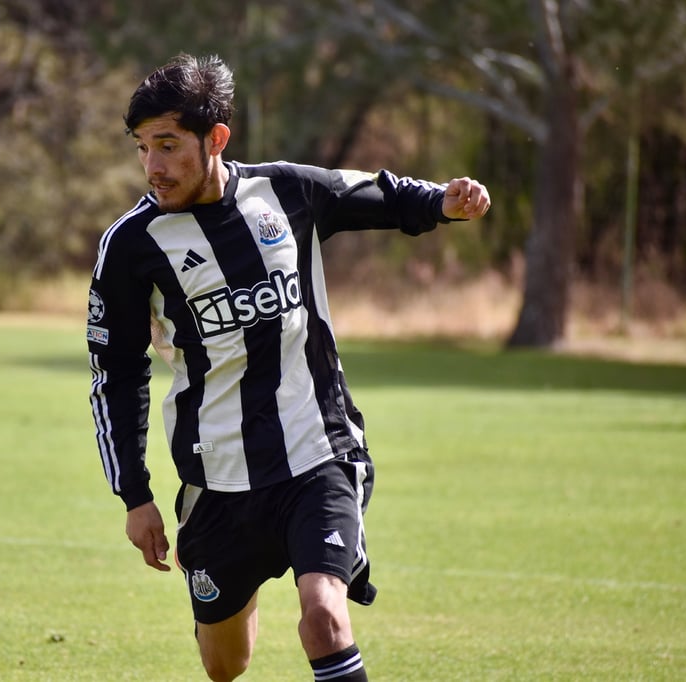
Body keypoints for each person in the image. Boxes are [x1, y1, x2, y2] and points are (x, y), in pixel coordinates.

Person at [87, 53, 490, 681]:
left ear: (216, 138)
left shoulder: (285, 192)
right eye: (142, 148)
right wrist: (135, 496)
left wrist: (443, 202)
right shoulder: (131, 246)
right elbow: (115, 375)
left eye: (167, 145)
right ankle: (239, 587)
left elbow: (375, 194)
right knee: (225, 665)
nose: (153, 166)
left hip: (316, 454)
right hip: (218, 479)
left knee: (324, 618)